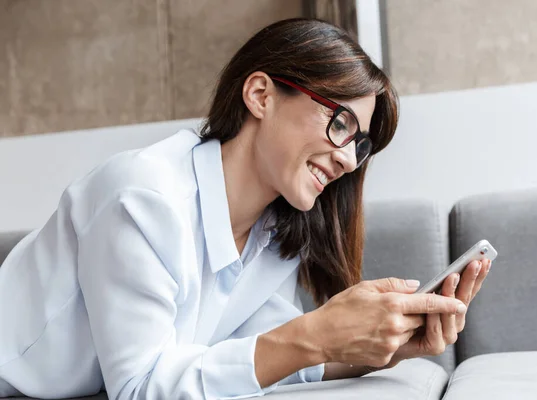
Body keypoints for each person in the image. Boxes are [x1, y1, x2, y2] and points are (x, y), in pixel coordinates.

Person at [0, 18, 491, 400]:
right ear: (261, 95)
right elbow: (141, 387)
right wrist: (314, 333)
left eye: (360, 145)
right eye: (340, 123)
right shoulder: (142, 197)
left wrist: (381, 349)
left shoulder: (276, 230)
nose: (347, 158)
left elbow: (260, 355)